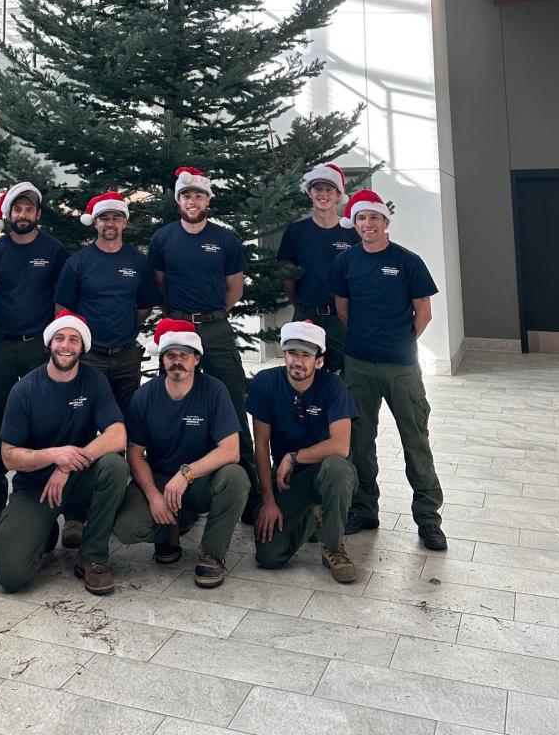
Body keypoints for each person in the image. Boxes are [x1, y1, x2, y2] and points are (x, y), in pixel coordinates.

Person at [332, 188, 447, 551]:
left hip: (402, 368)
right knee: (360, 442)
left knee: (416, 442)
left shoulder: (408, 261)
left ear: (386, 222)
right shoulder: (346, 262)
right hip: (359, 366)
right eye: (362, 218)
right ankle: (365, 510)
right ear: (356, 224)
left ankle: (428, 519)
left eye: (375, 218)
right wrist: (368, 342)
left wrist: (399, 341)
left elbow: (423, 312)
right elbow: (343, 311)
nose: (368, 224)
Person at [147, 167, 259, 523]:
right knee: (180, 405)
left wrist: (212, 316)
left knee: (233, 404)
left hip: (216, 330)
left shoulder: (225, 239)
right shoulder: (162, 239)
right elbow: (160, 285)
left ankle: (252, 493)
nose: (191, 201)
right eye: (185, 196)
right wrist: (182, 321)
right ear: (177, 200)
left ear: (208, 200)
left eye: (198, 195)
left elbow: (235, 288)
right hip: (178, 332)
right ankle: (187, 493)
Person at [0, 310, 128, 595]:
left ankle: (93, 557)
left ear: (83, 347)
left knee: (115, 466)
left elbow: (118, 435)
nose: (66, 345)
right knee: (11, 577)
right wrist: (54, 455)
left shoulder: (94, 381)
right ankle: (44, 531)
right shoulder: (24, 389)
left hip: (78, 478)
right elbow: (9, 456)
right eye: (60, 338)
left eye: (74, 340)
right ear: (49, 344)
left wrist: (66, 465)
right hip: (35, 487)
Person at [114, 318, 248, 588]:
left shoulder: (214, 391)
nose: (178, 361)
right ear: (162, 360)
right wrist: (153, 496)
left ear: (196, 359)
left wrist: (186, 474)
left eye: (184, 355)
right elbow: (135, 453)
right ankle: (168, 531)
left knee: (235, 477)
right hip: (160, 478)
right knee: (127, 527)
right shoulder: (144, 396)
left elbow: (231, 450)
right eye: (171, 355)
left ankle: (212, 553)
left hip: (200, 480)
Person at [0, 181, 68, 531]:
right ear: (9, 215)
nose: (23, 215)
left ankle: (38, 498)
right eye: (18, 209)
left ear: (37, 214)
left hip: (38, 348)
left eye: (29, 209)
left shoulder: (54, 251)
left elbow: (63, 299)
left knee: (42, 420)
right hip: (1, 345)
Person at [246, 320, 358, 582]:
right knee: (268, 557)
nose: (298, 361)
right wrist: (268, 500)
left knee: (337, 468)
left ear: (318, 361)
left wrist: (293, 457)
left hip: (325, 471)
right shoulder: (265, 383)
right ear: (284, 354)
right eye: (292, 353)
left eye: (306, 355)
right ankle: (311, 514)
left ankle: (333, 548)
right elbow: (260, 445)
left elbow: (340, 446)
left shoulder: (334, 387)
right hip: (288, 480)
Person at [54, 191, 160, 412]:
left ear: (124, 222)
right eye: (104, 218)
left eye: (115, 218)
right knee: (82, 416)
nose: (110, 223)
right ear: (94, 222)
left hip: (127, 356)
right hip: (90, 356)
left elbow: (144, 307)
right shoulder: (78, 263)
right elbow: (63, 309)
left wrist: (124, 326)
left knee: (129, 417)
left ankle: (121, 449)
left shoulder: (138, 262)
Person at [277, 163, 358, 375]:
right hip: (306, 315)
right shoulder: (296, 232)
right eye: (318, 189)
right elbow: (287, 276)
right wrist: (302, 305)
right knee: (303, 376)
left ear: (338, 194)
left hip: (342, 320)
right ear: (309, 192)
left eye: (329, 190)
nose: (323, 194)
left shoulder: (352, 234)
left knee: (344, 377)